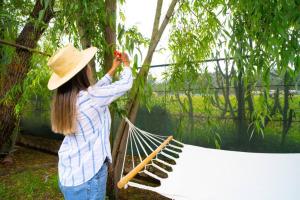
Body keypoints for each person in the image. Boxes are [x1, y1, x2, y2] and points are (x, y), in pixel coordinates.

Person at [47, 44, 133, 200]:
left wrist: (113, 69)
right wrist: (126, 65)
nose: (89, 67)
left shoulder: (66, 100)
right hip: (89, 178)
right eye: (85, 64)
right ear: (82, 72)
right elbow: (125, 84)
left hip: (69, 176)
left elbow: (96, 91)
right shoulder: (92, 97)